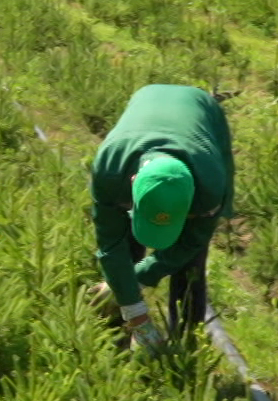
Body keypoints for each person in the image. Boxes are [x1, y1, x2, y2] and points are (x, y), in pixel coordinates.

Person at [89, 85, 234, 352]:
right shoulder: (111, 169)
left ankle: (186, 344)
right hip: (148, 101)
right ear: (132, 183)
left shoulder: (211, 185)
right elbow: (111, 244)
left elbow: (191, 241)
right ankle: (115, 333)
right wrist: (134, 307)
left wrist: (140, 277)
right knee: (127, 247)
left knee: (190, 266)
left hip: (201, 110)